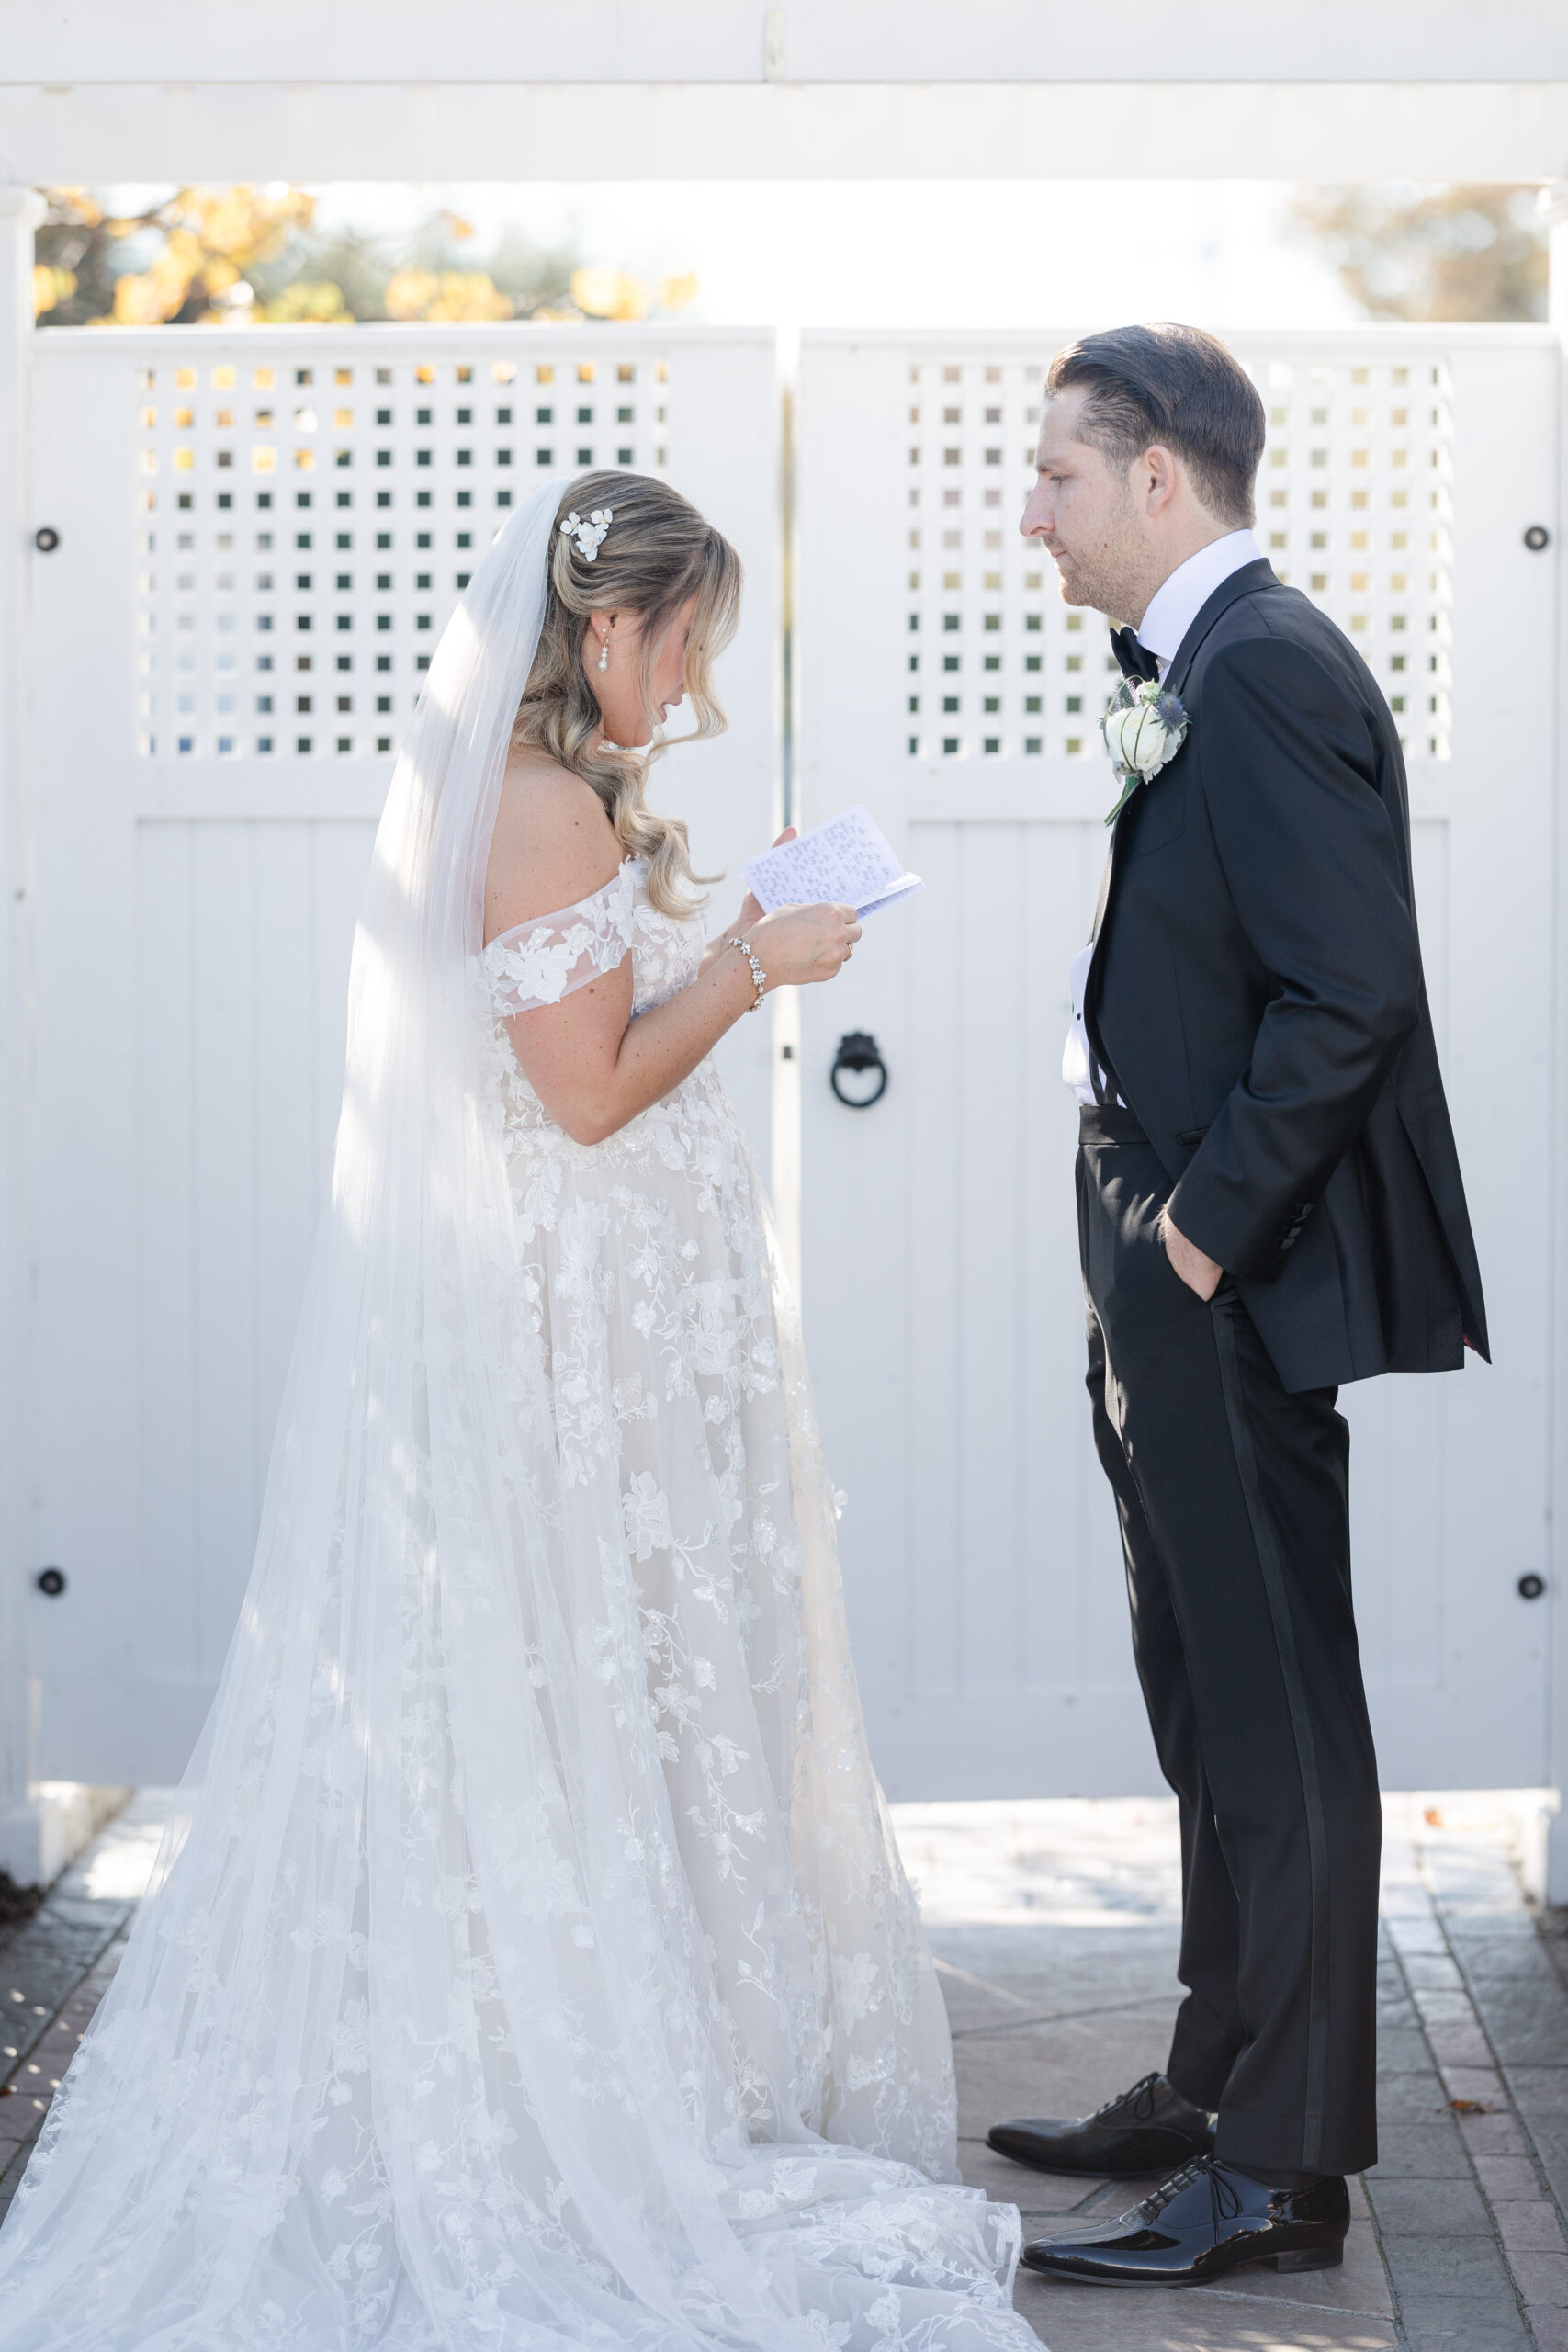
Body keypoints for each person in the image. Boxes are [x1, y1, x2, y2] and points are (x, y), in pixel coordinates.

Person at [0, 473, 1037, 2352]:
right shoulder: (543, 800)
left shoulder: (551, 791)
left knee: (598, 1695)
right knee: (584, 1683)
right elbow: (586, 1093)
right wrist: (755, 963)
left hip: (596, 1307)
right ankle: (564, 2095)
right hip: (571, 1329)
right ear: (606, 622)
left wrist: (740, 925)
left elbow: (572, 1032)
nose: (692, 686)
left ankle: (615, 2048)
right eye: (685, 643)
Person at [987, 325, 1487, 2289]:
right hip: (1155, 1244)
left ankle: (1281, 2176)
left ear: (1155, 477)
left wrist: (1194, 1232)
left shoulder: (1263, 664)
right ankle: (1216, 2078)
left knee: (1275, 1710)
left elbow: (1349, 989)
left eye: (1053, 475)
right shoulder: (1196, 665)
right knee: (1202, 1684)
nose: (1028, 513)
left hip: (1221, 1263)